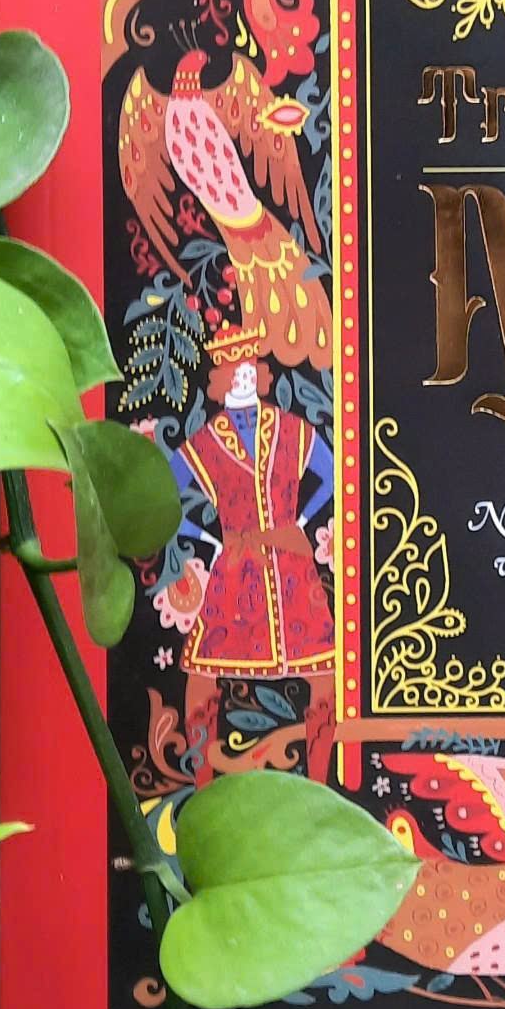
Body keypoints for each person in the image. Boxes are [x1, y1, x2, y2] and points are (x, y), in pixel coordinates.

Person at [163, 323, 336, 776]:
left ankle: (320, 787)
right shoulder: (206, 440)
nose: (242, 377)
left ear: (259, 375)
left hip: (292, 567)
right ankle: (202, 784)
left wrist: (301, 522)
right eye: (233, 370)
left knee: (323, 671)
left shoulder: (290, 428)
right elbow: (164, 496)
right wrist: (206, 538)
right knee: (202, 671)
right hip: (236, 571)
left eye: (248, 368)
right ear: (220, 380)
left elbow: (332, 474)